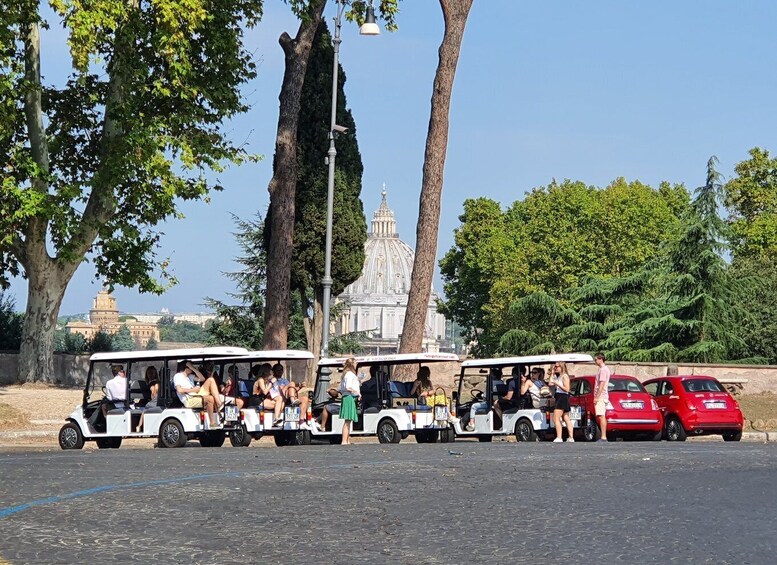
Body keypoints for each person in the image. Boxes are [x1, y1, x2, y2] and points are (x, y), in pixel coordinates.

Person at [173, 360, 220, 427]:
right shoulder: (178, 376)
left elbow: (202, 379)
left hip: (196, 394)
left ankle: (219, 403)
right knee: (210, 398)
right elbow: (179, 390)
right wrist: (193, 389)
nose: (192, 368)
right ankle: (212, 423)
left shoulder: (190, 376)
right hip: (189, 399)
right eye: (191, 367)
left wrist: (193, 369)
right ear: (186, 368)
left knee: (210, 379)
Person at [251, 363, 284, 427]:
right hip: (257, 399)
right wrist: (271, 383)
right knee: (278, 405)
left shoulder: (267, 380)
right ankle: (276, 418)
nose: (272, 371)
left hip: (264, 399)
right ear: (266, 371)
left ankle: (277, 419)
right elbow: (264, 392)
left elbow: (270, 392)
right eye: (271, 369)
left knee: (280, 400)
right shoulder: (260, 380)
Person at [550, 361, 574, 442]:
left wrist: (558, 384)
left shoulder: (564, 376)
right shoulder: (558, 376)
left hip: (562, 397)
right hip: (559, 396)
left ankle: (559, 437)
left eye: (557, 367)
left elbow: (567, 389)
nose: (556, 368)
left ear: (562, 367)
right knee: (565, 417)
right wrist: (552, 373)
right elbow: (550, 383)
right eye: (555, 367)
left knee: (555, 418)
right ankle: (570, 437)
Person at [339, 358, 361, 445]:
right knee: (347, 420)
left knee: (349, 420)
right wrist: (357, 393)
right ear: (352, 364)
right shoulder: (349, 374)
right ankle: (344, 441)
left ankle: (347, 440)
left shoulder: (347, 374)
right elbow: (348, 387)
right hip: (349, 397)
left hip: (349, 397)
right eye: (355, 363)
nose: (356, 365)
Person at [593, 353, 611, 443]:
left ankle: (603, 436)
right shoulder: (603, 369)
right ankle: (603, 436)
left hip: (601, 396)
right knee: (601, 416)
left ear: (601, 359)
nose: (595, 361)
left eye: (596, 359)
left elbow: (602, 384)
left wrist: (597, 397)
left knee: (601, 416)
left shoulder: (603, 370)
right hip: (602, 396)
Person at [136, 366, 159, 433]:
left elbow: (154, 391)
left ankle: (139, 426)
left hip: (154, 401)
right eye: (149, 373)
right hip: (153, 401)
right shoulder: (153, 382)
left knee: (145, 409)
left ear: (155, 374)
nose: (150, 375)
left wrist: (153, 397)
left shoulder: (153, 383)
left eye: (152, 373)